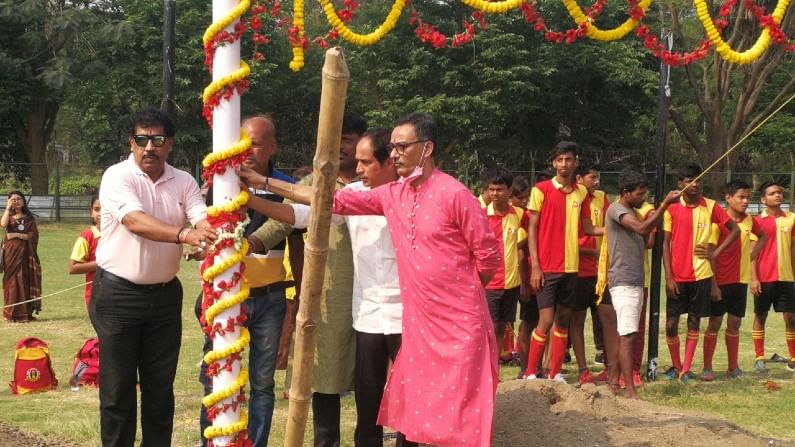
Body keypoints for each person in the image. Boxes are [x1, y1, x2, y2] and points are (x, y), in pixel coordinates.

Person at [240, 112, 501, 447]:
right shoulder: (391, 195)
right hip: (395, 318)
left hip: (449, 322)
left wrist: (460, 296)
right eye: (392, 147)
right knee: (401, 404)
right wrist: (258, 185)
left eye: (402, 147)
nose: (395, 153)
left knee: (455, 406)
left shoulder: (454, 194)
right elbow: (321, 200)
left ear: (427, 148)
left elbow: (489, 256)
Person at [244, 128, 414, 446]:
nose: (358, 166)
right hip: (360, 310)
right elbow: (303, 211)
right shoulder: (347, 194)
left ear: (387, 161)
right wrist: (253, 200)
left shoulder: (406, 194)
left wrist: (263, 183)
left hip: (408, 311)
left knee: (407, 392)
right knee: (361, 392)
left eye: (363, 157)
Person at [91, 107, 216, 446]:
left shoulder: (184, 181)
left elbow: (201, 216)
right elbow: (134, 221)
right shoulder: (118, 176)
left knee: (160, 390)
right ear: (131, 143)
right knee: (118, 391)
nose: (150, 148)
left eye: (157, 140)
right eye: (142, 140)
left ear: (169, 144)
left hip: (163, 297)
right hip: (118, 296)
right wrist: (184, 235)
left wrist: (207, 236)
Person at [248, 111, 367, 447]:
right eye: (333, 139)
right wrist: (249, 244)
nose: (339, 147)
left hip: (376, 301)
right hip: (329, 300)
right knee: (323, 381)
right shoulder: (311, 184)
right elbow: (283, 222)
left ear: (362, 141)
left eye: (346, 138)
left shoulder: (378, 183)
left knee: (372, 387)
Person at [196, 114, 300, 447]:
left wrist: (297, 296)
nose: (248, 149)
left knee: (263, 384)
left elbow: (290, 233)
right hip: (227, 298)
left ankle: (256, 443)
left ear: (273, 146)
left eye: (256, 142)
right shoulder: (220, 183)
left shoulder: (286, 186)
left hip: (269, 299)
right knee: (216, 379)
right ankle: (210, 441)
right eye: (243, 141)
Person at [525, 142, 603, 382]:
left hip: (572, 269)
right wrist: (535, 267)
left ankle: (555, 372)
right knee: (545, 320)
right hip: (547, 267)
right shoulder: (540, 190)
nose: (563, 164)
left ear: (575, 162)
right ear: (553, 163)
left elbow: (589, 227)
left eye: (568, 160)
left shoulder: (582, 193)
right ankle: (530, 372)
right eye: (559, 160)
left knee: (563, 320)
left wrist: (614, 227)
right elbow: (532, 229)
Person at [604, 169, 679, 398]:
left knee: (624, 334)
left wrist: (649, 219)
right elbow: (641, 230)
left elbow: (645, 241)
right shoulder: (617, 209)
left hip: (633, 279)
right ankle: (630, 389)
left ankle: (615, 382)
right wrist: (665, 206)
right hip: (624, 280)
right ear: (626, 193)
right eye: (640, 194)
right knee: (628, 336)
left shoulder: (632, 212)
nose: (643, 198)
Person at [662, 163, 739, 383]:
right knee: (671, 324)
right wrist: (669, 276)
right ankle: (676, 366)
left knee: (694, 322)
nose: (695, 185)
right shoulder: (671, 207)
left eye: (698, 180)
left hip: (701, 274)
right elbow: (665, 243)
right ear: (680, 184)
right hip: (677, 276)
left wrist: (715, 252)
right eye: (689, 181)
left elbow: (734, 230)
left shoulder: (712, 206)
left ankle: (685, 369)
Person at [703, 180, 766, 380]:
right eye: (741, 197)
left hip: (740, 281)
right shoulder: (717, 222)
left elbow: (763, 236)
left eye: (748, 197)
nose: (746, 201)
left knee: (735, 324)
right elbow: (711, 254)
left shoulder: (749, 220)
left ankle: (733, 368)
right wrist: (713, 285)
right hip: (720, 282)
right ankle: (707, 368)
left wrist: (753, 254)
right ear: (728, 198)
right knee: (714, 323)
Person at [482, 168, 529, 365]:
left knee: (503, 326)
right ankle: (486, 366)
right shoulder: (482, 215)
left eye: (500, 189)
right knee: (490, 327)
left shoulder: (518, 214)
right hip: (490, 283)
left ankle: (494, 368)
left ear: (509, 191)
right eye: (491, 189)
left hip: (511, 282)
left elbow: (531, 238)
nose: (495, 194)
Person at [572, 159, 610, 385]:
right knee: (575, 319)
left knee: (605, 317)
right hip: (577, 269)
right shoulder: (573, 199)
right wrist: (591, 252)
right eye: (591, 177)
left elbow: (608, 226)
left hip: (600, 271)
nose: (596, 181)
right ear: (579, 179)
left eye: (597, 177)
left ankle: (608, 365)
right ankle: (582, 369)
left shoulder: (602, 198)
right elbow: (566, 239)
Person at [751, 181, 795, 373]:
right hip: (764, 277)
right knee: (760, 315)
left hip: (786, 277)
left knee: (791, 318)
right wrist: (754, 278)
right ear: (763, 199)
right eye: (772, 193)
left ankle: (793, 358)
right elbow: (752, 253)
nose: (777, 195)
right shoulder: (756, 221)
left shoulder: (791, 219)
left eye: (779, 192)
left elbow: (793, 249)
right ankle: (759, 357)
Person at [2, 191, 42, 322]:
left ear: (23, 201)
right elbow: (2, 225)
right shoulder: (9, 216)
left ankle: (24, 313)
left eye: (18, 199)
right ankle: (10, 313)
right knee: (10, 280)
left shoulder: (29, 219)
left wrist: (16, 235)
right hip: (10, 253)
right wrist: (8, 208)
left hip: (25, 253)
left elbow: (33, 236)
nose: (16, 201)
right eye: (12, 199)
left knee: (22, 279)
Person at [68, 195, 101, 309]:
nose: (101, 214)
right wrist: (103, 264)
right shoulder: (87, 237)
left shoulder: (122, 235)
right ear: (91, 212)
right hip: (95, 295)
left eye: (106, 209)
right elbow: (73, 268)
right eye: (97, 209)